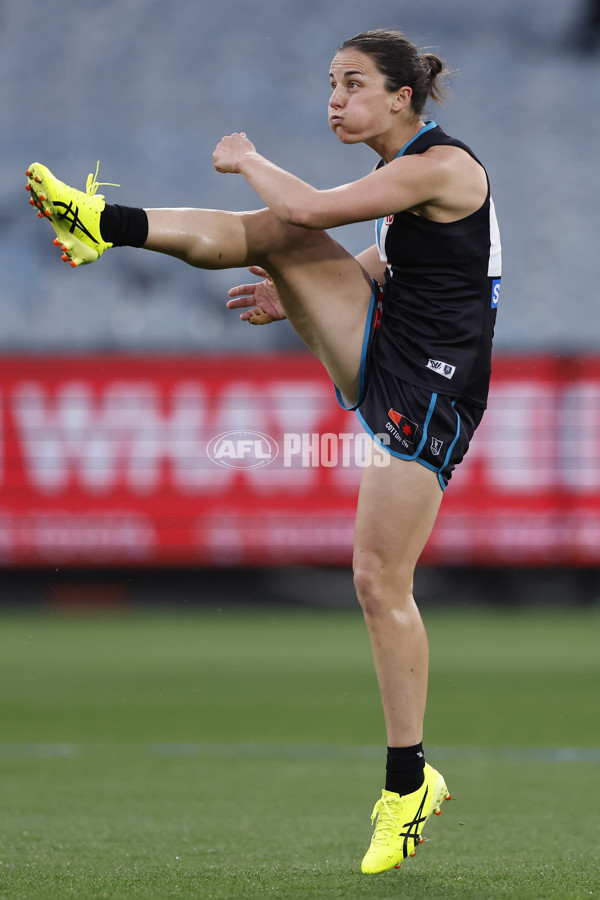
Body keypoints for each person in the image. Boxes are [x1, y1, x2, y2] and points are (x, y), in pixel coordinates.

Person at [24, 28, 501, 874]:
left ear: (401, 98)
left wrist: (247, 156)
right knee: (275, 237)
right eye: (330, 82)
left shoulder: (445, 166)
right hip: (390, 349)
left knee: (376, 580)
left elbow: (311, 209)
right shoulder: (406, 182)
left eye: (354, 84)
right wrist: (298, 301)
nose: (335, 98)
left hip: (433, 390)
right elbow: (393, 262)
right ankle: (100, 223)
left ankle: (409, 784)